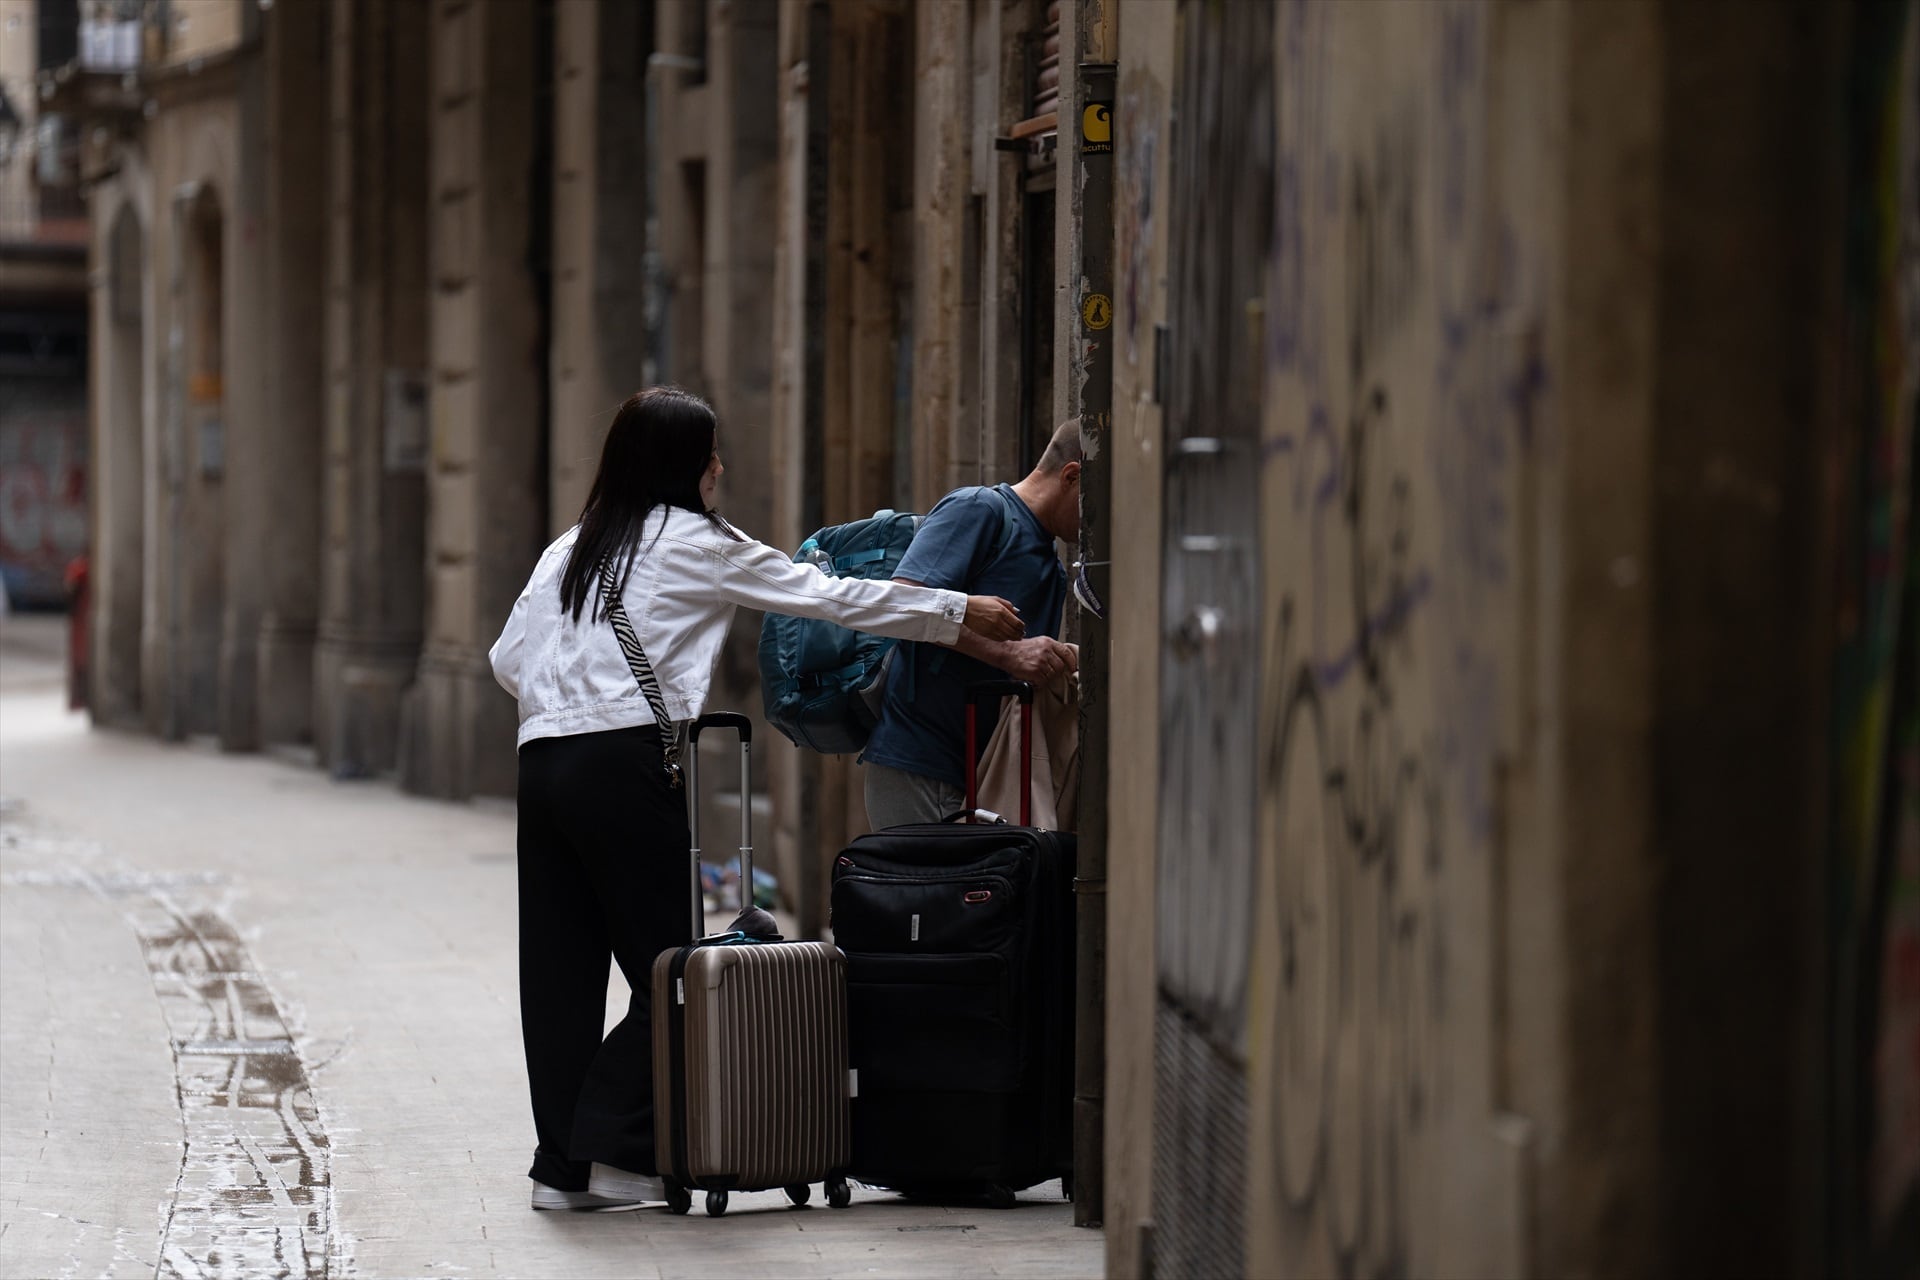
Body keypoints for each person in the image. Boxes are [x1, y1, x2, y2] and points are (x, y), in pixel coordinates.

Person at [488, 386, 1023, 1212]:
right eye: (710, 454)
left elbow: (505, 659)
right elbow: (831, 595)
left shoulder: (571, 547)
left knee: (557, 974)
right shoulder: (700, 542)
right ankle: (603, 1153)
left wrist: (571, 704)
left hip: (542, 761)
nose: (720, 468)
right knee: (673, 969)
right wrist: (956, 610)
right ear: (685, 466)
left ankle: (563, 1170)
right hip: (626, 764)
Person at [862, 420, 1083, 829]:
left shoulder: (1051, 566)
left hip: (986, 777)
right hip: (921, 765)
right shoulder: (979, 509)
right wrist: (1008, 653)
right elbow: (900, 604)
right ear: (1071, 476)